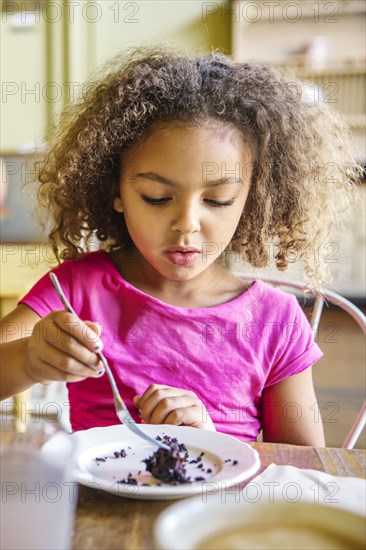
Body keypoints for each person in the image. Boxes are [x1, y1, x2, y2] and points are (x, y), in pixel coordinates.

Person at [0, 47, 360, 445]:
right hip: (101, 507)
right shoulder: (74, 289)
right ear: (114, 190)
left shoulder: (275, 322)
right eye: (156, 197)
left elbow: (302, 466)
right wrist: (28, 360)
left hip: (223, 506)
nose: (187, 224)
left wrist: (211, 441)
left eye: (217, 200)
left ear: (251, 199)